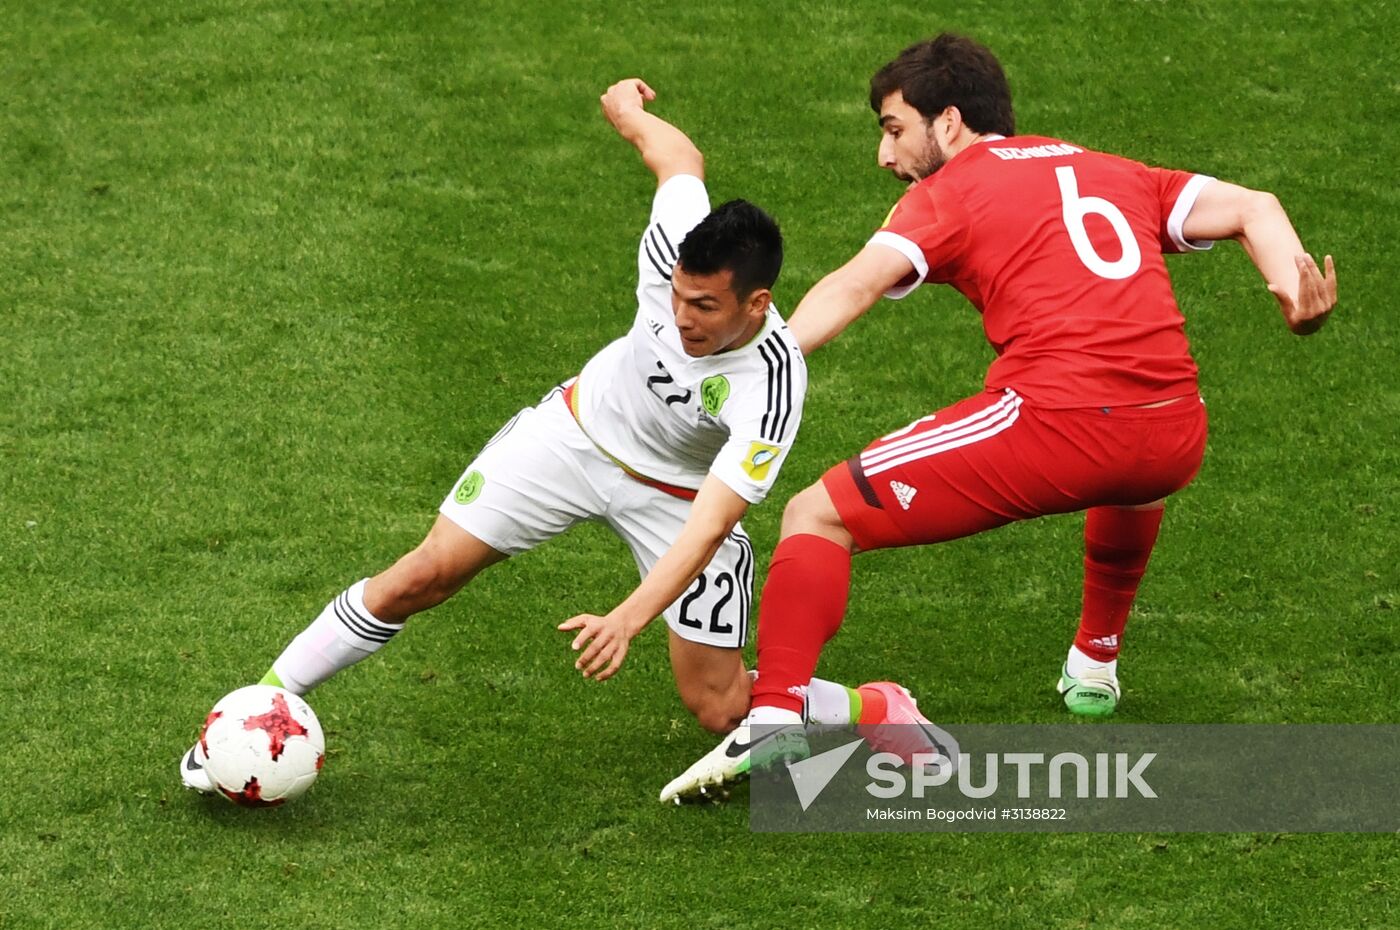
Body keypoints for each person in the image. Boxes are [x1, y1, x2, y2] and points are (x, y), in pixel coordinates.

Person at [180, 79, 930, 796]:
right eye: (675, 296)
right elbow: (679, 161)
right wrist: (626, 110)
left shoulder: (772, 382)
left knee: (721, 705)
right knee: (424, 573)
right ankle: (252, 711)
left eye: (703, 306)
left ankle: (878, 707)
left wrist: (628, 617)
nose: (679, 318)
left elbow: (711, 524)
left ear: (756, 302)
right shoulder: (675, 243)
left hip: (676, 500)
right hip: (572, 436)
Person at [659, 34, 1337, 802]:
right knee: (1135, 460)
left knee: (817, 515)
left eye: (892, 128)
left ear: (947, 123)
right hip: (1174, 430)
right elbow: (1258, 206)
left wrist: (760, 358)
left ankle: (776, 712)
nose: (886, 156)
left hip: (1062, 425)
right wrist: (1295, 295)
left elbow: (853, 286)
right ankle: (1094, 662)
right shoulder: (1112, 170)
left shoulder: (952, 191)